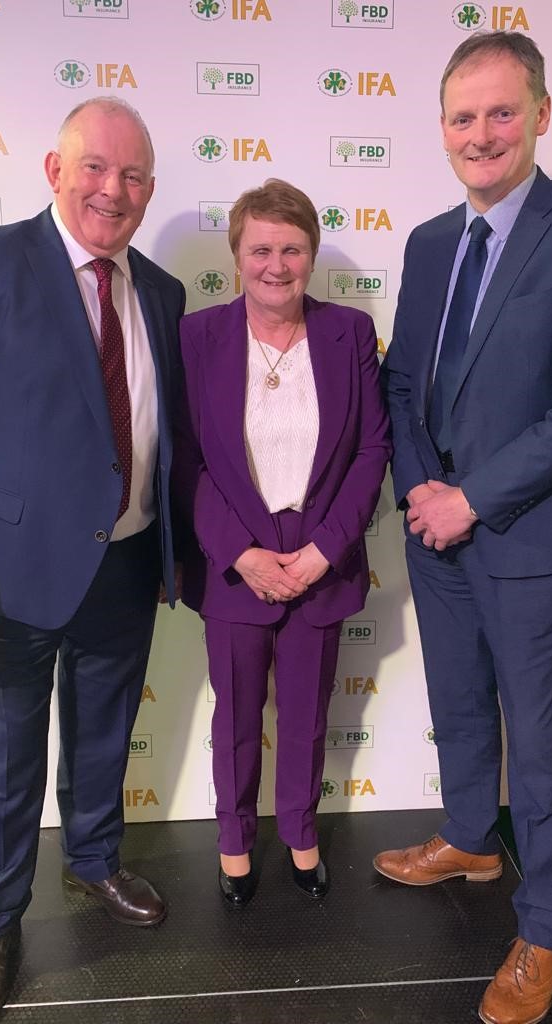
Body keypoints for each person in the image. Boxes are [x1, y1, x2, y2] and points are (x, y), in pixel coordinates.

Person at [0, 97, 185, 1024]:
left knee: (104, 737)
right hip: (8, 580)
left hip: (129, 565)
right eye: (96, 168)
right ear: (54, 172)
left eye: (135, 175)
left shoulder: (165, 293)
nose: (115, 189)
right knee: (8, 760)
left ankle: (95, 861)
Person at [374, 31, 552, 1024]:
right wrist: (419, 490)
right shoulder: (431, 240)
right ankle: (467, 837)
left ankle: (543, 930)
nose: (479, 133)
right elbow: (404, 383)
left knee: (538, 745)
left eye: (499, 111)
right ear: (441, 127)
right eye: (461, 115)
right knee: (456, 703)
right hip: (434, 528)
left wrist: (471, 498)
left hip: (527, 536)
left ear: (540, 113)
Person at [174, 179, 391, 907]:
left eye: (292, 248)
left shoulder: (349, 334)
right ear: (236, 255)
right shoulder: (198, 336)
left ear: (312, 254)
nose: (276, 263)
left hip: (321, 561)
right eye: (260, 248)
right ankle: (234, 839)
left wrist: (325, 551)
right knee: (234, 718)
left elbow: (371, 452)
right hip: (237, 566)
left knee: (305, 717)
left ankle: (300, 832)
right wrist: (240, 553)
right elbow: (188, 462)